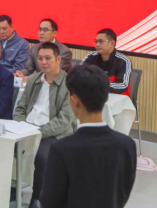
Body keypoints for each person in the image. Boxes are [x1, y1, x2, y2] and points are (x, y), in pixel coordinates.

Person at [40, 65, 137, 208]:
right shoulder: (127, 144)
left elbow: (50, 201)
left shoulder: (61, 148)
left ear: (74, 100)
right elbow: (123, 193)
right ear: (106, 98)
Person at [13, 43, 75, 207]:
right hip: (27, 128)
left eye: (48, 58)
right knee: (5, 147)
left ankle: (38, 199)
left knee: (42, 156)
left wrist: (38, 132)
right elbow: (20, 108)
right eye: (40, 58)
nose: (43, 62)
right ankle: (12, 191)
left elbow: (64, 120)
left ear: (58, 59)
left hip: (53, 133)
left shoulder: (70, 84)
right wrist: (21, 126)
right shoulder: (34, 79)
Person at [81, 28, 131, 96]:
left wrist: (100, 84)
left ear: (112, 43)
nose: (97, 45)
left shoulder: (123, 60)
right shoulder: (91, 56)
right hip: (96, 96)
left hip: (118, 99)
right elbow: (78, 74)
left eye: (101, 41)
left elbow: (123, 85)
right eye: (96, 41)